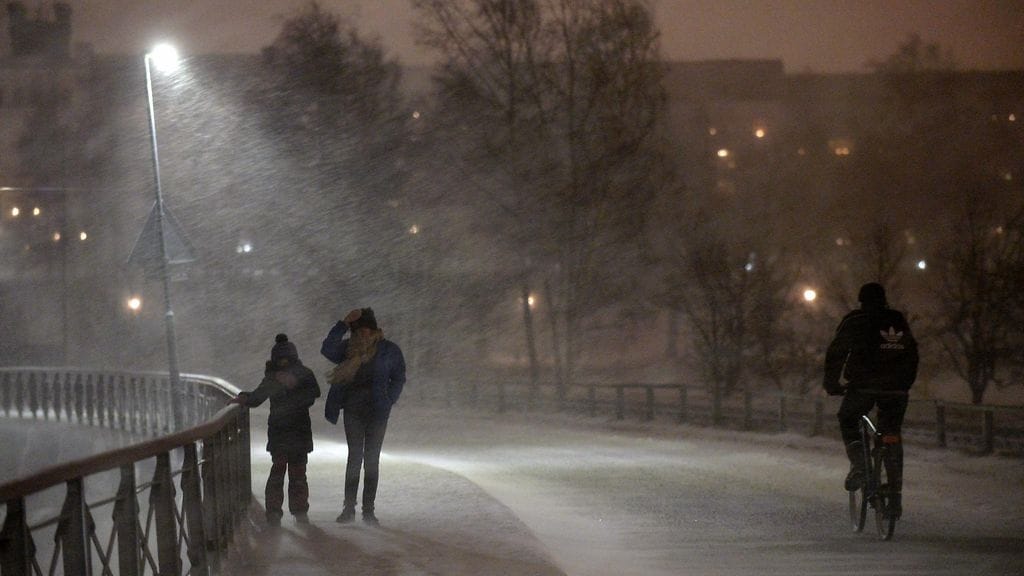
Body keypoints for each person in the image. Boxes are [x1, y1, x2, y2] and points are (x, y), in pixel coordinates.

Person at [823, 282, 918, 518]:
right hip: (897, 389)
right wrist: (904, 385)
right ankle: (894, 496)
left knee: (848, 418)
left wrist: (832, 383)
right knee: (891, 434)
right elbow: (912, 353)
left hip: (863, 387)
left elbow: (837, 352)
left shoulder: (855, 320)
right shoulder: (897, 319)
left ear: (861, 300)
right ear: (884, 300)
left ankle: (861, 467)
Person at [321, 307, 406, 525]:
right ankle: (349, 508)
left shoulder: (388, 350)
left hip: (378, 412)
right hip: (353, 410)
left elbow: (398, 377)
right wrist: (343, 323)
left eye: (367, 330)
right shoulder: (347, 349)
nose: (363, 335)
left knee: (371, 461)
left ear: (374, 329)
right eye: (358, 331)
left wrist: (389, 399)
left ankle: (369, 510)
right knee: (354, 458)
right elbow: (327, 348)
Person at [232, 333, 321, 526]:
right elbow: (313, 394)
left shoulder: (274, 378)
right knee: (297, 473)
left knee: (279, 472)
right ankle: (298, 511)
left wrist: (244, 398)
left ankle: (274, 512)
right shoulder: (303, 374)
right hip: (298, 431)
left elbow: (257, 397)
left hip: (280, 431)